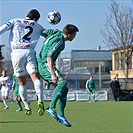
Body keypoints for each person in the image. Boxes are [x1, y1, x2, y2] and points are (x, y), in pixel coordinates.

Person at [0, 9, 45, 116]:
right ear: (35, 19)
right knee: (35, 77)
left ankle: (26, 106)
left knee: (21, 81)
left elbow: (2, 29)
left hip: (16, 52)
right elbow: (46, 34)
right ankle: (40, 100)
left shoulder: (15, 21)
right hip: (29, 51)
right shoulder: (37, 26)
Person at [37, 24, 79, 127]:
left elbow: (43, 32)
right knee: (63, 82)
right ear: (69, 34)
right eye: (74, 34)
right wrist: (52, 74)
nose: (75, 37)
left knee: (64, 88)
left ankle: (61, 115)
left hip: (45, 64)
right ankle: (51, 108)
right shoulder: (60, 42)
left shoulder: (55, 32)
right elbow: (49, 57)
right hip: (45, 64)